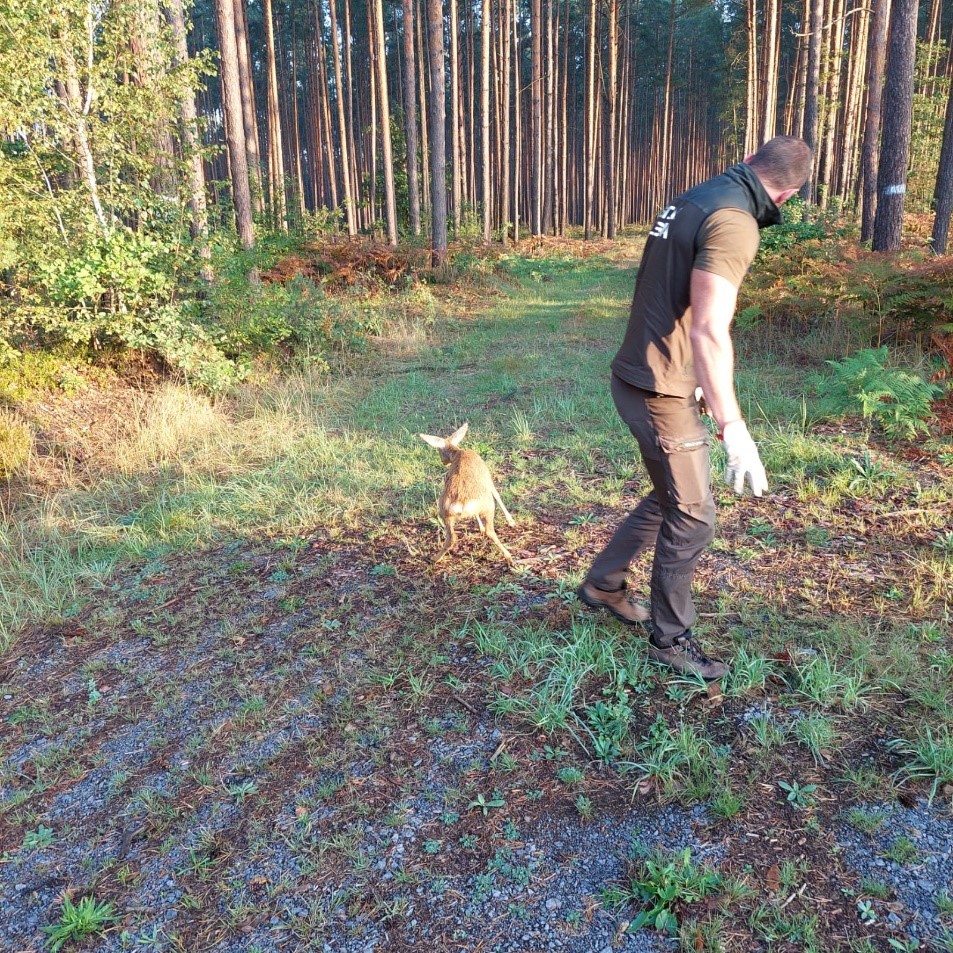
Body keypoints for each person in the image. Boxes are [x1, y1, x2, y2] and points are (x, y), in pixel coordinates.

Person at [577, 136, 812, 681]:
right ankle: (671, 640)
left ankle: (603, 585)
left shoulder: (700, 196)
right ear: (790, 193)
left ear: (753, 160)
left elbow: (675, 298)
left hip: (647, 374)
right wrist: (734, 428)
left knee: (669, 498)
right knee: (694, 515)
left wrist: (701, 381)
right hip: (659, 390)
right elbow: (709, 327)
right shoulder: (735, 221)